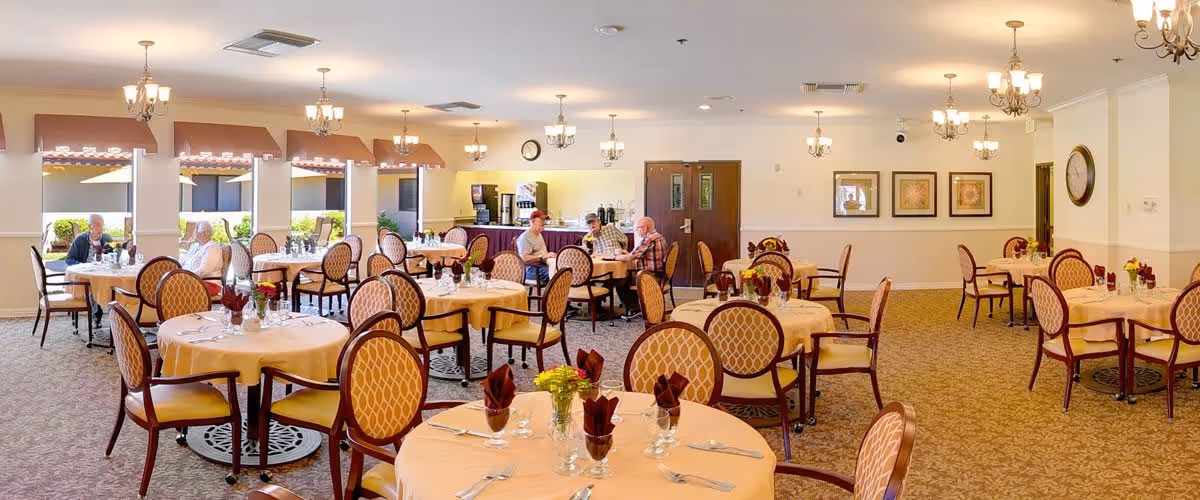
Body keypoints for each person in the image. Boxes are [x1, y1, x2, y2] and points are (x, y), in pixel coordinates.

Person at [614, 217, 667, 319]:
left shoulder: (648, 239)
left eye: (638, 228)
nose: (637, 231)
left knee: (619, 279)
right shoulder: (659, 236)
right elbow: (638, 254)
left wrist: (613, 257)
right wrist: (629, 254)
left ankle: (633, 308)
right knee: (627, 275)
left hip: (650, 275)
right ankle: (636, 304)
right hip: (658, 272)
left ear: (645, 228)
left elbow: (630, 258)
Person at [182, 221, 225, 295]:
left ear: (203, 233)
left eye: (195, 229)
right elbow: (183, 261)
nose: (193, 232)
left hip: (208, 283)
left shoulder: (212, 248)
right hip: (192, 280)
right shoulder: (195, 246)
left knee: (175, 287)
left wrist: (186, 277)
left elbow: (204, 270)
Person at [516, 210, 556, 284]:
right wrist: (542, 257)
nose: (543, 222)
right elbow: (523, 258)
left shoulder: (539, 234)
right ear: (532, 222)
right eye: (541, 220)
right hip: (531, 269)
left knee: (563, 270)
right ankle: (553, 294)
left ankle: (557, 294)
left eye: (544, 220)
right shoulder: (525, 237)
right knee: (558, 275)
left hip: (541, 265)